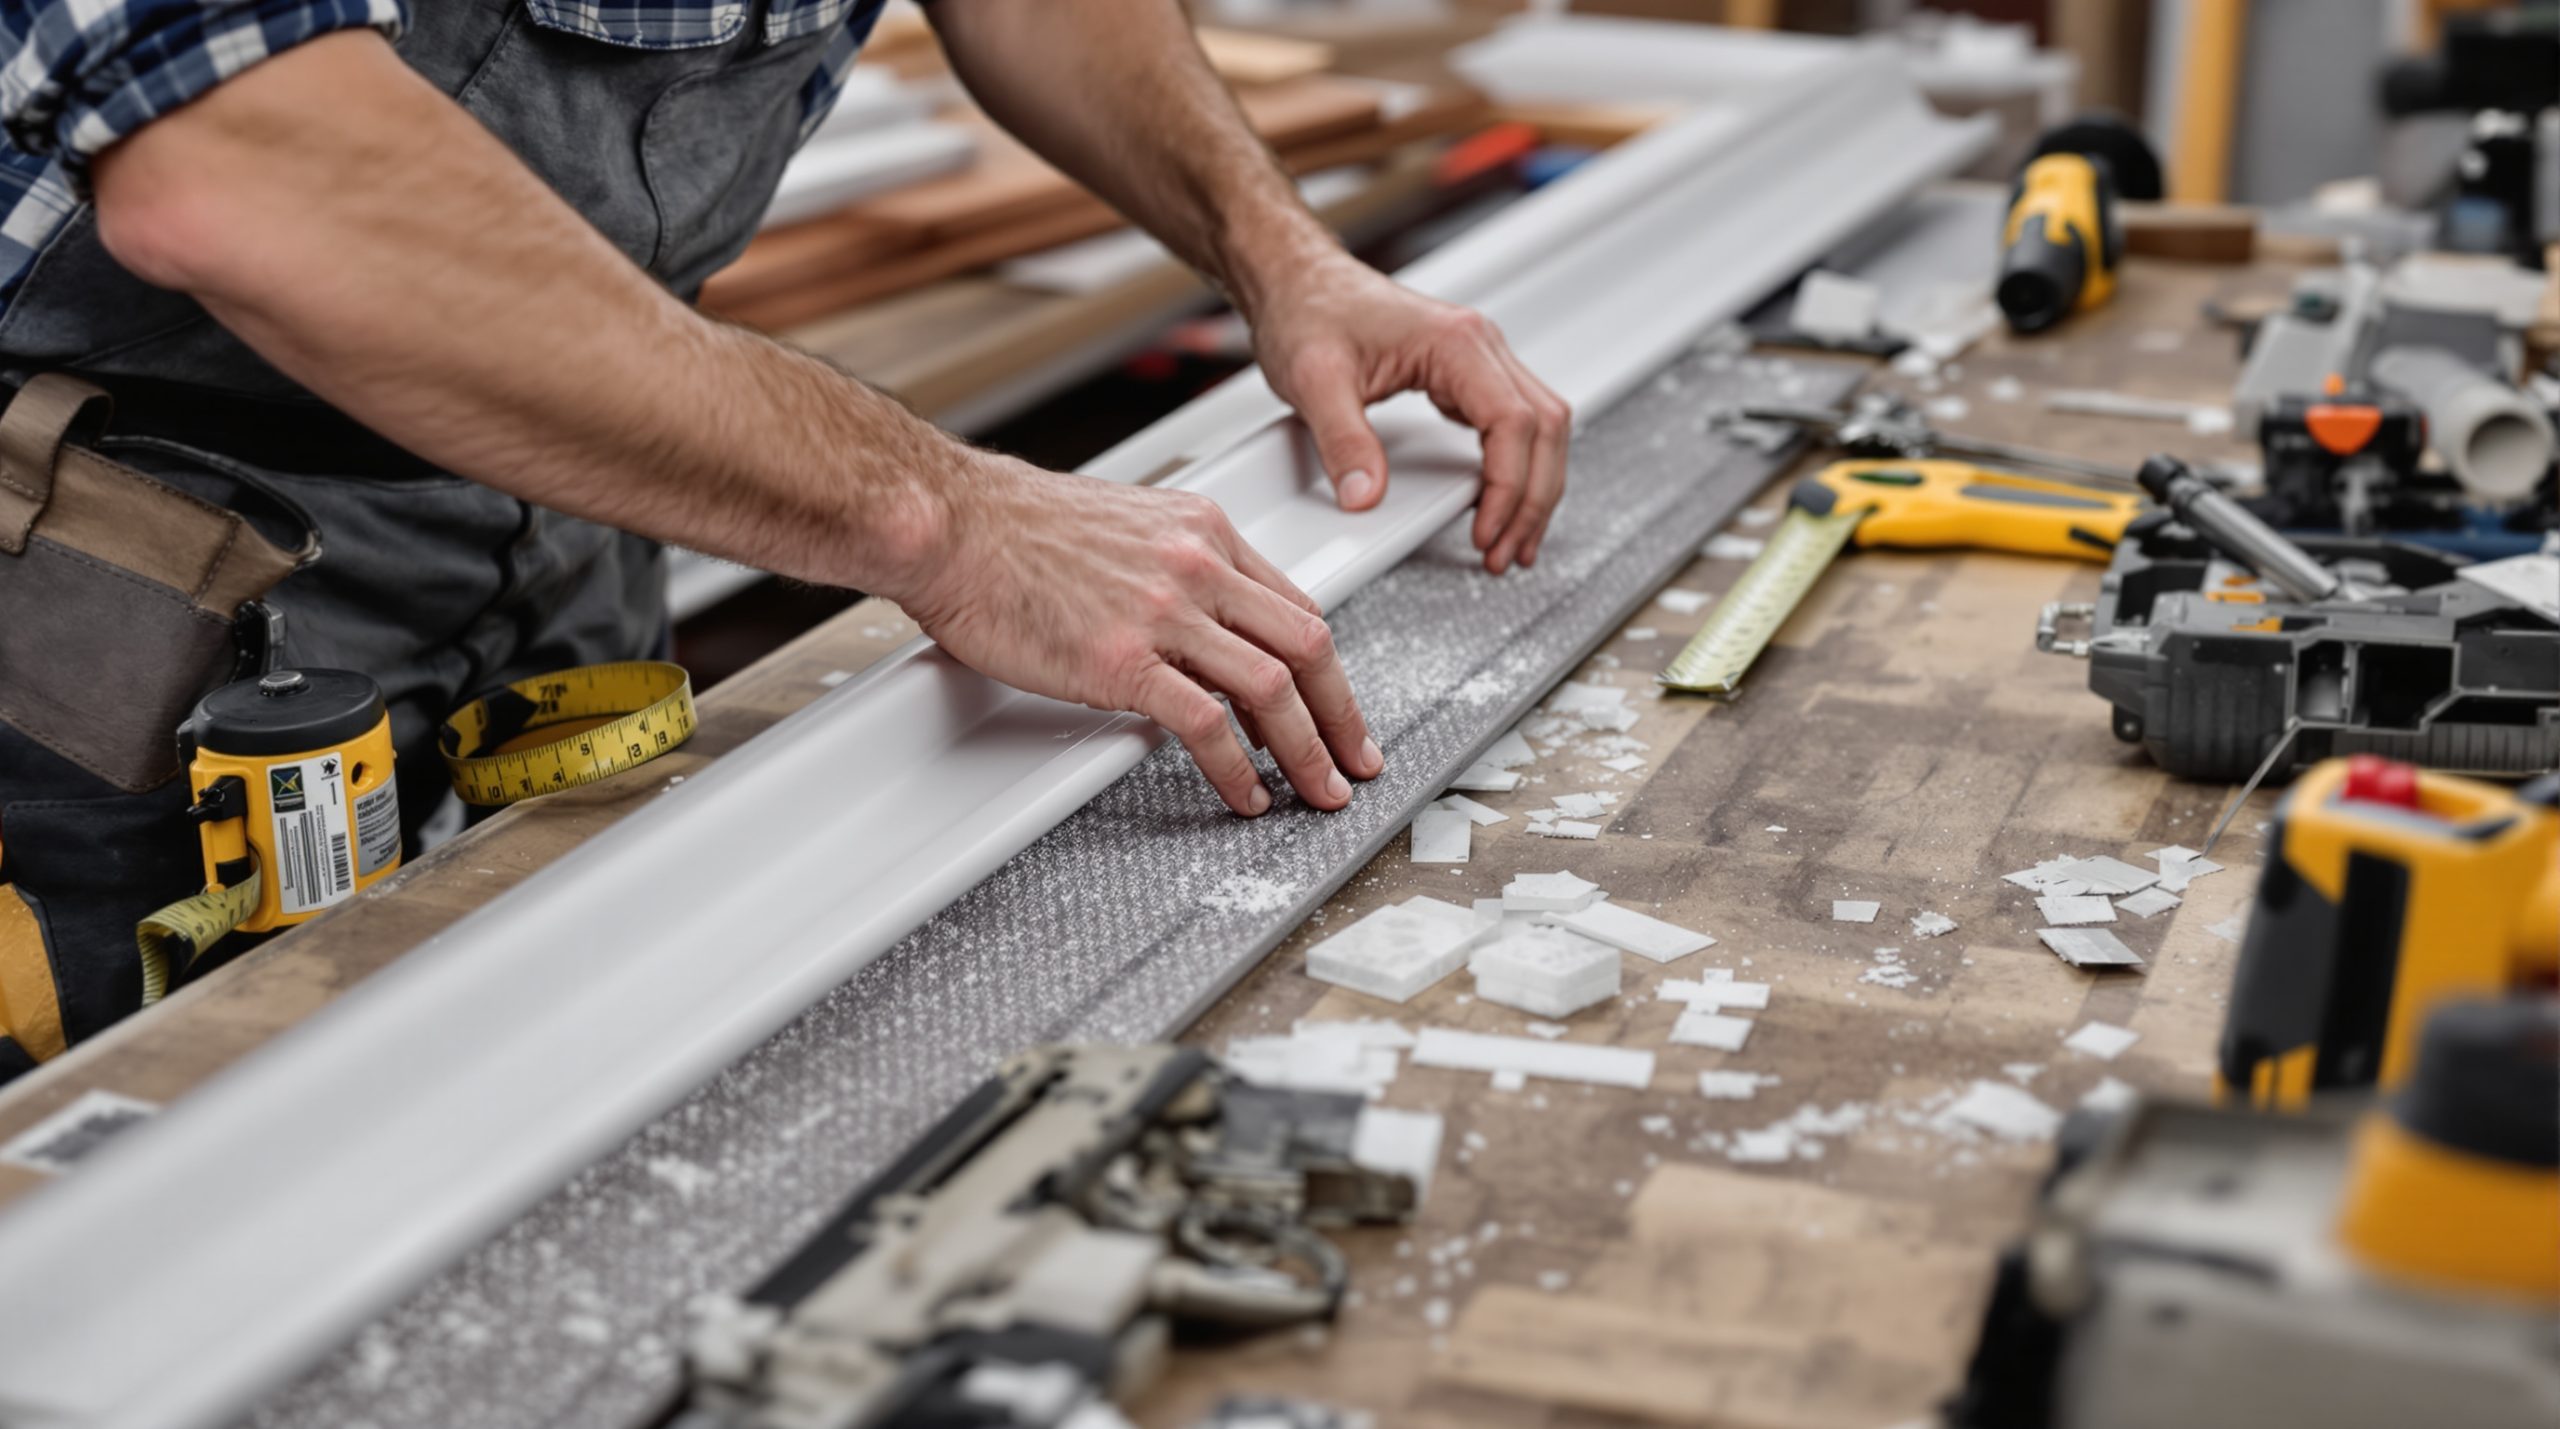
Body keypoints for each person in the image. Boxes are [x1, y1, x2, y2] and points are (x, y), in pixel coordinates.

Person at [0, 0, 1569, 1068]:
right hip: (112, 565)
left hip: (597, 461)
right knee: (149, 1157)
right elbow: (243, 179)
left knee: (571, 1050)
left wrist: (1277, 252)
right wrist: (947, 521)